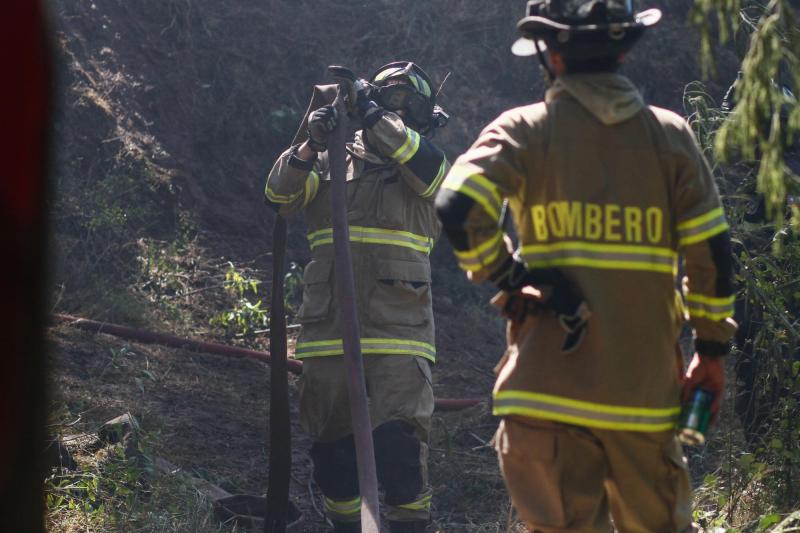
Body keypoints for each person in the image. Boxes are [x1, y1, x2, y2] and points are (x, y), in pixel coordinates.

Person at [434, 1, 737, 531]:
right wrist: (709, 351)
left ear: (549, 55)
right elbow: (711, 255)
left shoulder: (523, 129)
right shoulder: (670, 138)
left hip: (543, 399)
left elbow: (458, 206)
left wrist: (509, 277)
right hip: (641, 401)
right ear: (624, 48)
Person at [265, 61, 449, 533]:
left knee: (400, 452)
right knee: (333, 454)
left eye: (408, 103)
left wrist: (370, 112)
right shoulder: (327, 161)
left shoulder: (428, 164)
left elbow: (421, 166)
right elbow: (280, 198)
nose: (397, 109)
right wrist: (311, 143)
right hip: (328, 333)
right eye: (389, 98)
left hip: (398, 334)